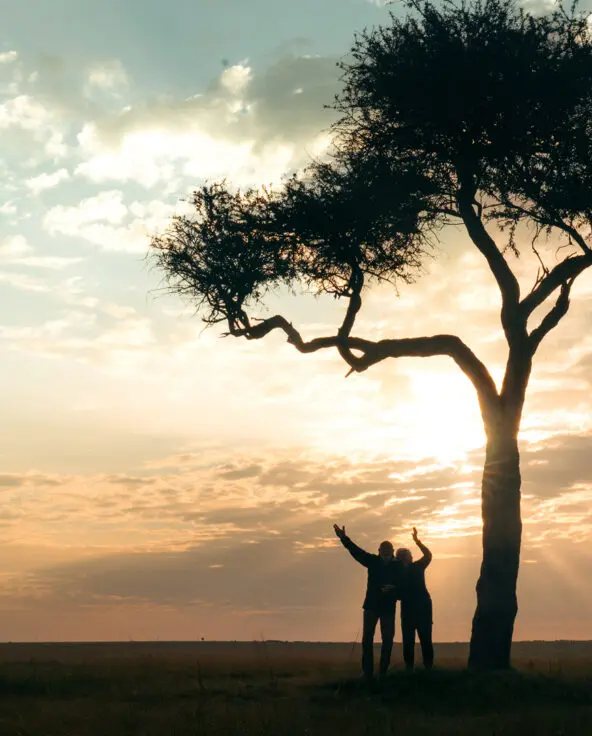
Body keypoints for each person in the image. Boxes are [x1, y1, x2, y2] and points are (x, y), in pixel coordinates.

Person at [333, 523, 402, 680]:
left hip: (388, 608)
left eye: (388, 550)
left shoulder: (398, 567)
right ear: (379, 551)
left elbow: (404, 586)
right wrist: (344, 538)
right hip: (371, 606)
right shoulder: (372, 561)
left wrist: (393, 589)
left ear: (392, 551)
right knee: (367, 639)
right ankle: (368, 672)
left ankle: (383, 671)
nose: (385, 552)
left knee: (388, 640)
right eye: (383, 550)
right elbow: (356, 552)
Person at [396, 527, 433, 671]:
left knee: (425, 639)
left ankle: (428, 668)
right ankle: (409, 668)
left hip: (423, 607)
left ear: (410, 558)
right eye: (400, 557)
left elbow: (428, 555)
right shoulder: (396, 572)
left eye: (405, 556)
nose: (403, 558)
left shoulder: (418, 566)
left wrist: (418, 542)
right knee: (408, 640)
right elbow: (397, 593)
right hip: (408, 609)